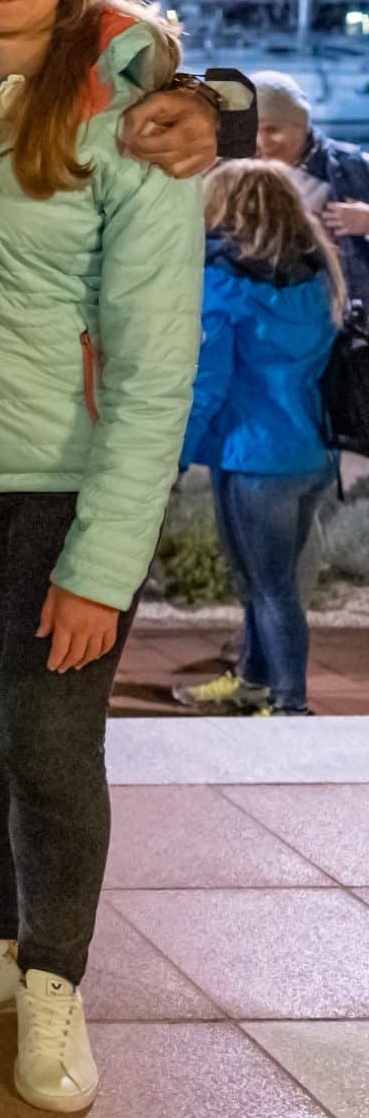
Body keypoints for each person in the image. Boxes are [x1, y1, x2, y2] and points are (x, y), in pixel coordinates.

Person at [0, 0, 203, 1115]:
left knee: (47, 739)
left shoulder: (128, 115)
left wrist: (102, 563)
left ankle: (55, 977)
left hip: (64, 485)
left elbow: (154, 366)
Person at [172, 159, 341, 717]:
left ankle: (290, 706)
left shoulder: (223, 282)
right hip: (311, 452)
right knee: (271, 583)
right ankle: (254, 680)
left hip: (254, 457)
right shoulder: (317, 276)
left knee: (268, 588)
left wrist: (173, 456)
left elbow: (208, 384)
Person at [250, 70, 369, 300]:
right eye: (251, 130)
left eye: (272, 129)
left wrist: (367, 222)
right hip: (266, 312)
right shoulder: (227, 175)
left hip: (345, 312)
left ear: (301, 126)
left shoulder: (355, 168)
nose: (262, 142)